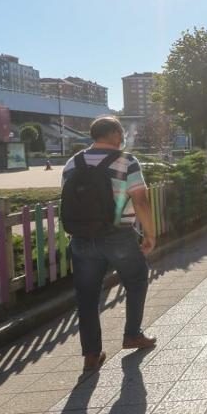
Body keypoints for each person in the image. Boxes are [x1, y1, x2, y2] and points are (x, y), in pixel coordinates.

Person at [62, 116, 158, 372]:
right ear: (115, 134)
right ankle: (132, 335)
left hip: (81, 238)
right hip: (117, 235)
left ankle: (91, 355)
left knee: (87, 297)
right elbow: (140, 200)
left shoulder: (73, 163)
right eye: (121, 132)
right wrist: (149, 234)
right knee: (136, 281)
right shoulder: (126, 161)